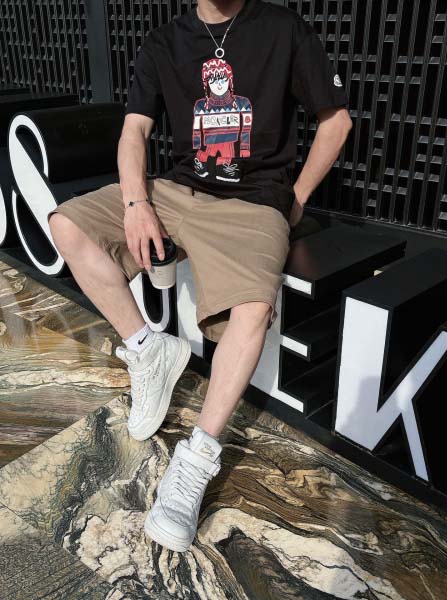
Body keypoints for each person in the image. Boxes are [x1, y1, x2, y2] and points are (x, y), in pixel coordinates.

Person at [47, 0, 352, 553]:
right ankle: (148, 350)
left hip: (253, 203)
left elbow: (337, 122)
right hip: (174, 190)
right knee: (67, 226)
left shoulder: (281, 28)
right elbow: (134, 131)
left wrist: (296, 200)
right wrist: (136, 202)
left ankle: (196, 460)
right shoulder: (164, 41)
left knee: (253, 308)